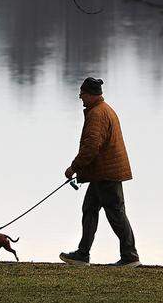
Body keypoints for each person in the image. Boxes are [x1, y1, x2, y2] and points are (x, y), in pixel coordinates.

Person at [60, 77, 140, 267]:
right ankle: (82, 254)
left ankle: (130, 256)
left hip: (106, 174)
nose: (80, 97)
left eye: (82, 94)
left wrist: (74, 167)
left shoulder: (97, 114)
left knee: (116, 214)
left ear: (90, 95)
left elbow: (91, 147)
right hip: (101, 173)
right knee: (89, 210)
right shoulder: (103, 110)